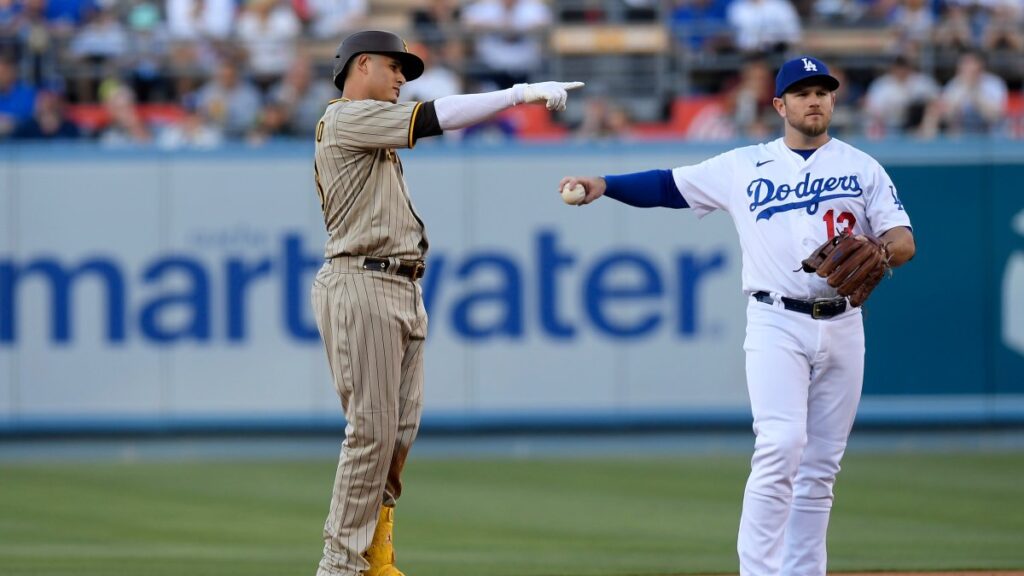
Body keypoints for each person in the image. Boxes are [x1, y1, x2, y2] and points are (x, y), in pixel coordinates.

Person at [559, 56, 915, 576]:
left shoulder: (863, 167)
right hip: (777, 321)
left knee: (820, 468)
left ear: (834, 101)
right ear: (779, 104)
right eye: (801, 92)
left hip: (843, 322)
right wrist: (604, 183)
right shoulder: (744, 165)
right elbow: (666, 185)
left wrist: (882, 252)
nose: (813, 100)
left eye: (822, 92)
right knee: (781, 445)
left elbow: (903, 237)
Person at [310, 29, 582, 576]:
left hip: (400, 284)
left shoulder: (373, 132)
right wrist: (517, 93)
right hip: (362, 281)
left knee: (397, 435)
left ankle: (374, 556)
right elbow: (435, 117)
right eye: (395, 68)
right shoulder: (343, 117)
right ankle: (340, 566)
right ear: (362, 64)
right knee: (370, 431)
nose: (401, 79)